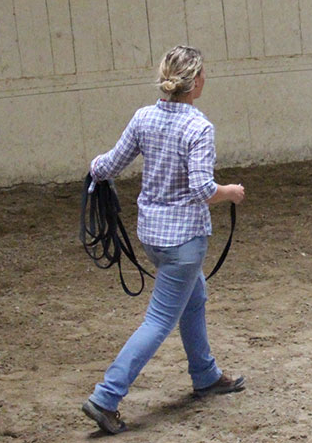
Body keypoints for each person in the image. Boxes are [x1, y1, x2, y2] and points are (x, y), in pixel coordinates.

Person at [82, 46, 246, 434]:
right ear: (197, 81)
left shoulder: (144, 118)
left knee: (195, 296)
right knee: (158, 320)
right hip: (184, 242)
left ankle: (205, 374)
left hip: (152, 236)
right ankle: (106, 397)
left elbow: (108, 165)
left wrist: (92, 171)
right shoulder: (198, 127)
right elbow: (204, 188)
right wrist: (232, 192)